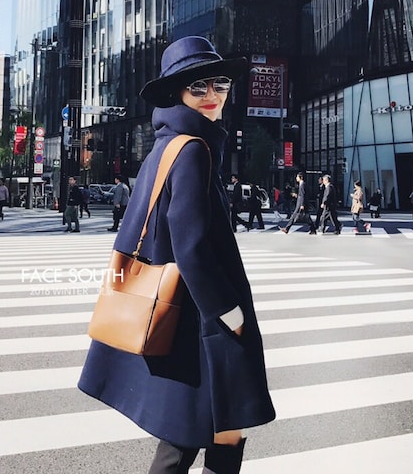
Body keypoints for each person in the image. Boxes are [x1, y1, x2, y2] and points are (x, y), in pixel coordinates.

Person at [79, 36, 275, 474]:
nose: (212, 95)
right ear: (178, 93)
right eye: (198, 87)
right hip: (200, 318)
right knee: (206, 431)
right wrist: (228, 312)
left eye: (220, 84)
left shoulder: (167, 146)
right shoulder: (192, 150)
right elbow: (191, 245)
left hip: (185, 313)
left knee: (208, 430)